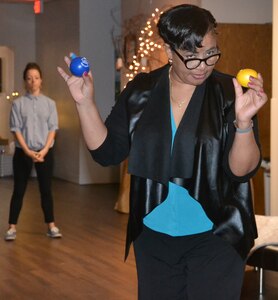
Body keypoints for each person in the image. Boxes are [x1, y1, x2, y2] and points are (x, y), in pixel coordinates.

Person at [57, 4, 267, 299]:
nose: (203, 65)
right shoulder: (141, 90)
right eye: (192, 57)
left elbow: (241, 171)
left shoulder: (228, 93)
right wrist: (84, 102)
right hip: (153, 238)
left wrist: (243, 123)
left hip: (216, 237)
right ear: (169, 51)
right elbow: (107, 152)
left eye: (210, 53)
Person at [5, 62, 62, 241]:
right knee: (19, 190)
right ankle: (12, 227)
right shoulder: (18, 104)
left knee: (46, 190)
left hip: (45, 153)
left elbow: (53, 128)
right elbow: (16, 129)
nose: (33, 81)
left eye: (36, 78)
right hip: (23, 153)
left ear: (41, 80)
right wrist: (28, 151)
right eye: (29, 78)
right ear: (25, 81)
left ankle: (51, 226)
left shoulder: (50, 104)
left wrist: (44, 150)